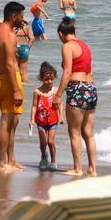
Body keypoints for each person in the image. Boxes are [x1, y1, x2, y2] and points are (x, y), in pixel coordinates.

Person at [54, 17, 97, 176]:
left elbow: (67, 72)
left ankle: (78, 168)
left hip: (77, 88)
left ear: (61, 33)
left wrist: (58, 95)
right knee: (89, 133)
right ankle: (92, 169)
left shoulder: (67, 46)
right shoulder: (84, 45)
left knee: (74, 132)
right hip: (91, 88)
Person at [0, 1, 27, 173]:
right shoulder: (10, 36)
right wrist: (16, 90)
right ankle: (1, 163)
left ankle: (11, 159)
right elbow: (11, 64)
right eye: (21, 16)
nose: (23, 19)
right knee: (6, 121)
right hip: (10, 80)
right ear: (14, 16)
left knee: (13, 121)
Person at [30, 62, 62, 171]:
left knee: (51, 142)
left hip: (53, 121)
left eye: (52, 79)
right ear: (41, 79)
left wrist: (61, 116)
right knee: (43, 143)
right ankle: (44, 157)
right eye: (46, 80)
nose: (49, 82)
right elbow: (34, 106)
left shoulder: (56, 90)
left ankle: (53, 161)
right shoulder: (37, 92)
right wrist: (32, 120)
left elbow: (60, 104)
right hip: (40, 121)